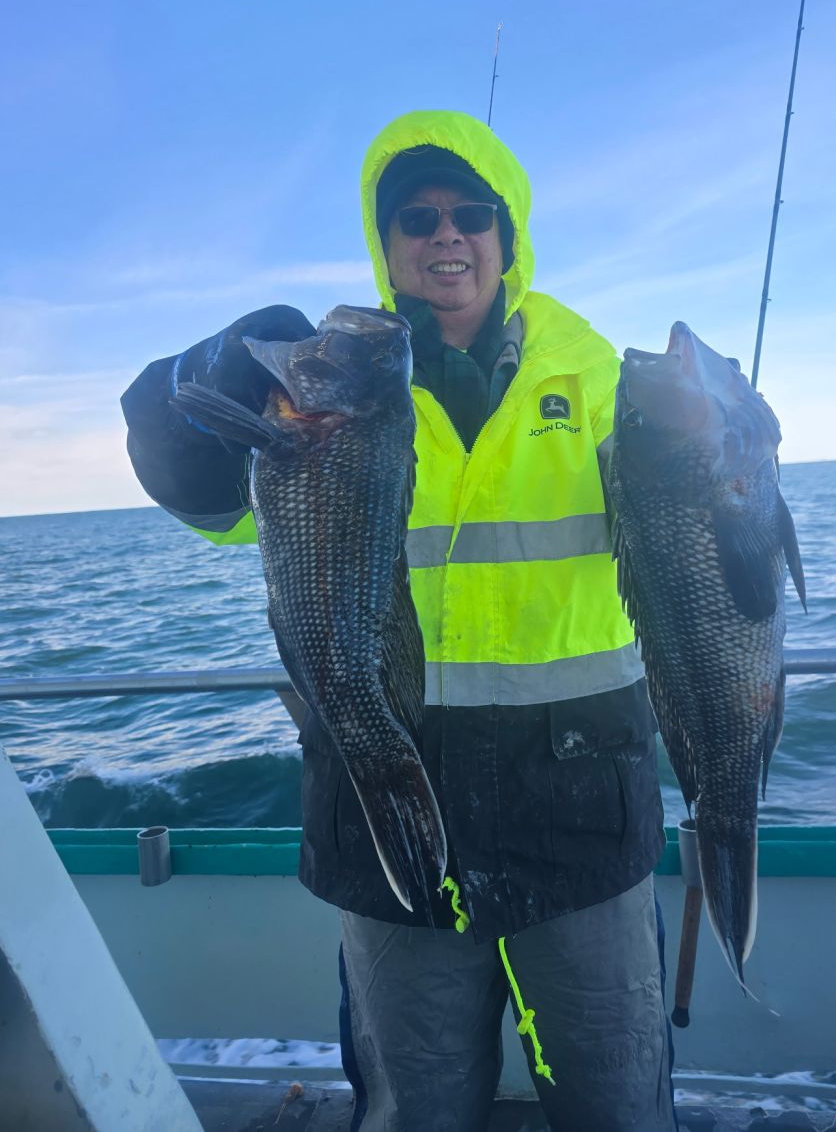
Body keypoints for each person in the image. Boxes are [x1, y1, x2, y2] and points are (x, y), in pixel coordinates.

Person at [122, 109, 677, 1132]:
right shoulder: (321, 386)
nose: (446, 234)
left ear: (508, 238)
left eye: (471, 212)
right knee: (414, 1109)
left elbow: (688, 531)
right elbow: (195, 494)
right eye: (415, 217)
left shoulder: (598, 377)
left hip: (580, 810)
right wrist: (193, 385)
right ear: (386, 246)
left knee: (621, 1106)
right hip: (384, 809)